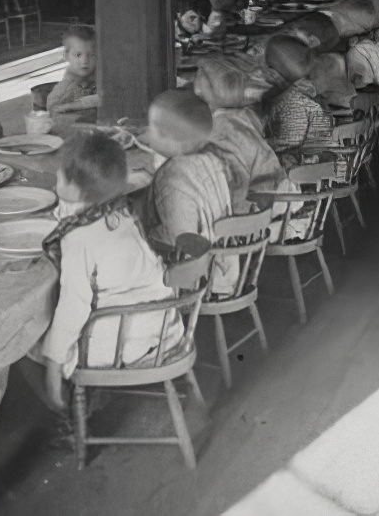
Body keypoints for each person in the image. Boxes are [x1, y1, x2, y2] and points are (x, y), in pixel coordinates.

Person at [38, 131, 182, 409]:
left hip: (119, 348)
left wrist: (53, 367)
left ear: (76, 191)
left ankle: (64, 413)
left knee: (36, 340)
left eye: (59, 175)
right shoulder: (124, 213)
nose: (55, 178)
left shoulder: (78, 239)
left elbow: (73, 308)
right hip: (163, 331)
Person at [139, 89, 233, 294]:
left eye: (154, 130)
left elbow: (178, 238)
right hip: (224, 259)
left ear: (173, 141)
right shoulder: (213, 160)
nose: (147, 132)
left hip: (192, 274)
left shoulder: (170, 175)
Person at [263, 35, 334, 158]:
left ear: (273, 74)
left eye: (264, 65)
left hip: (301, 165)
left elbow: (289, 144)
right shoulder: (301, 88)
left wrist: (258, 143)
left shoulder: (293, 106)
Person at [46, 26, 99, 115]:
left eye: (92, 55)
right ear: (66, 56)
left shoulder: (100, 74)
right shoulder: (69, 81)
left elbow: (106, 98)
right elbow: (52, 105)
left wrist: (72, 105)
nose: (85, 61)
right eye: (78, 55)